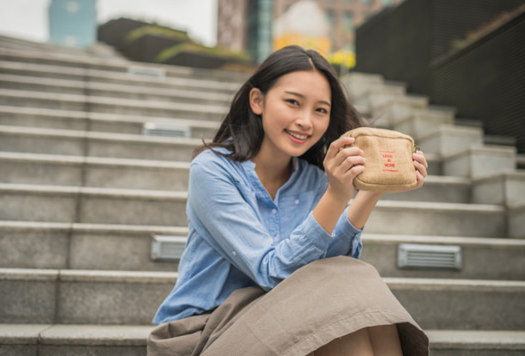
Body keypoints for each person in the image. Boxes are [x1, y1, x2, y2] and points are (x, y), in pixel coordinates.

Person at [147, 45, 430, 355]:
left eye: (320, 110)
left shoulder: (313, 179)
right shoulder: (213, 170)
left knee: (355, 297)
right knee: (346, 316)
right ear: (257, 100)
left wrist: (374, 187)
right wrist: (337, 195)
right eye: (293, 103)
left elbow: (331, 266)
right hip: (204, 330)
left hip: (282, 317)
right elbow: (272, 271)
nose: (306, 121)